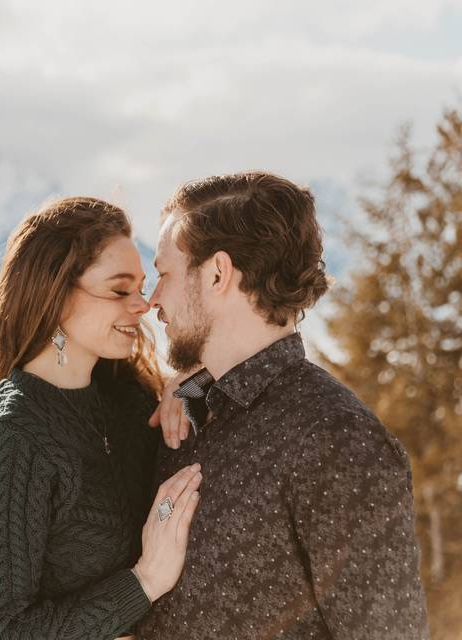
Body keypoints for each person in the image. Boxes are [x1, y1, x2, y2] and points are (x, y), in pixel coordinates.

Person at [136, 172, 429, 639]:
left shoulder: (337, 441)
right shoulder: (188, 415)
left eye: (164, 274)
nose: (153, 300)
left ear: (217, 274)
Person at [0, 196, 203, 639]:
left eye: (140, 288)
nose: (142, 306)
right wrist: (144, 582)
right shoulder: (10, 436)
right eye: (119, 290)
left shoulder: (128, 396)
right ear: (55, 292)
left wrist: (188, 385)